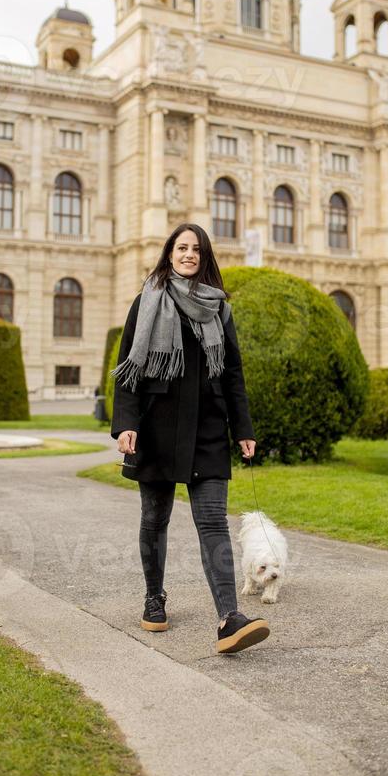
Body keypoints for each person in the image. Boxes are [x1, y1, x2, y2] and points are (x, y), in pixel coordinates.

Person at [111, 223, 270, 655]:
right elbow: (128, 370)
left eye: (196, 250)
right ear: (169, 253)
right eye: (182, 248)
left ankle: (229, 618)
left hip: (207, 428)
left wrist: (243, 429)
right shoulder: (147, 301)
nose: (188, 255)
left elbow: (232, 372)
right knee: (154, 519)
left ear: (205, 257)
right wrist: (126, 424)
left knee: (213, 522)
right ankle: (154, 597)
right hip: (156, 426)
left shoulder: (218, 307)